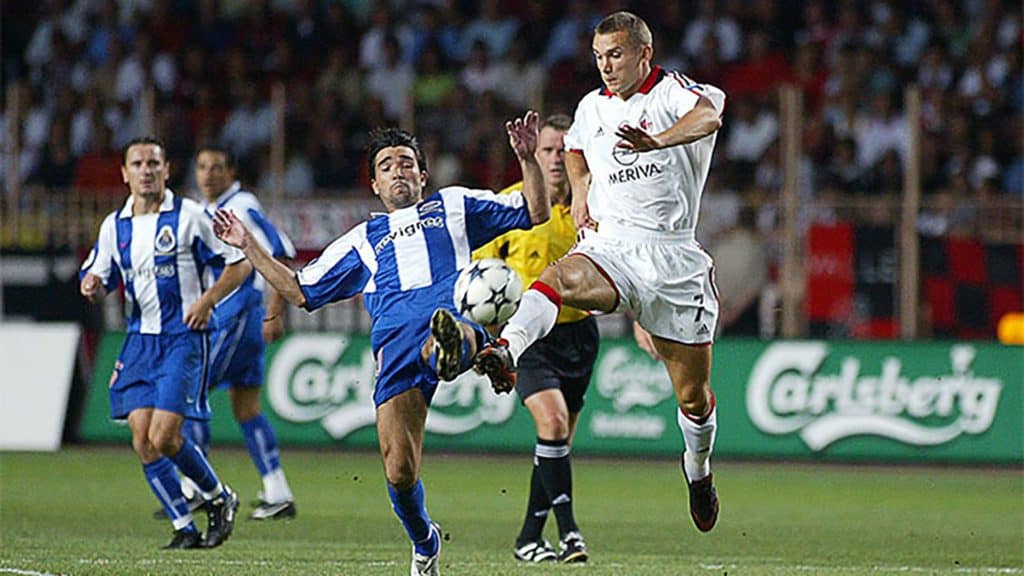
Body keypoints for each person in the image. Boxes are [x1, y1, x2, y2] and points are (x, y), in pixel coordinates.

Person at [211, 113, 548, 575]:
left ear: (423, 175)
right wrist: (248, 245)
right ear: (374, 183)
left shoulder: (454, 205)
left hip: (454, 315)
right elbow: (298, 290)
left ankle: (465, 348)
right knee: (399, 471)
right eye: (387, 165)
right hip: (396, 350)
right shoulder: (362, 240)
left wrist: (528, 159)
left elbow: (535, 211)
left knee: (451, 328)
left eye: (407, 163)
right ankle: (425, 540)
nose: (399, 171)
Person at [474, 11, 727, 533]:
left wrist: (657, 141)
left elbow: (709, 118)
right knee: (560, 277)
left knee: (692, 398)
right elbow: (574, 151)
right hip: (611, 245)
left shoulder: (673, 94)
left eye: (615, 55)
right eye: (598, 57)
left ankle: (697, 469)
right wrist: (584, 194)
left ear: (643, 54)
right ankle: (507, 350)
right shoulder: (591, 108)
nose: (606, 66)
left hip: (672, 258)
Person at [79, 136, 248, 549]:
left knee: (165, 436)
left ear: (167, 170)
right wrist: (92, 284)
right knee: (142, 439)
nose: (146, 170)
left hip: (183, 338)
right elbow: (99, 274)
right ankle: (183, 527)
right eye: (137, 164)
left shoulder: (190, 216)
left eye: (153, 163)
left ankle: (218, 497)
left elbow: (238, 263)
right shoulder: (113, 226)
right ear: (125, 173)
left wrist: (207, 301)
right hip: (139, 341)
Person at [473, 113, 596, 563]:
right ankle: (570, 534)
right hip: (528, 340)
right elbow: (476, 274)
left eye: (565, 149)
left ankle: (528, 538)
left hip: (580, 335)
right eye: (548, 149)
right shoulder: (509, 206)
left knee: (556, 444)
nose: (557, 158)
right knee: (554, 424)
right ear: (535, 153)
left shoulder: (589, 211)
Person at [193, 143, 298, 520]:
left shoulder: (240, 206)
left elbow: (280, 250)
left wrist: (274, 310)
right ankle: (277, 491)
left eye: (217, 166)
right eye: (203, 166)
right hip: (240, 314)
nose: (209, 174)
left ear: (231, 173)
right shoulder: (206, 210)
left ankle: (198, 488)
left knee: (191, 390)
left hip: (239, 312)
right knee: (246, 406)